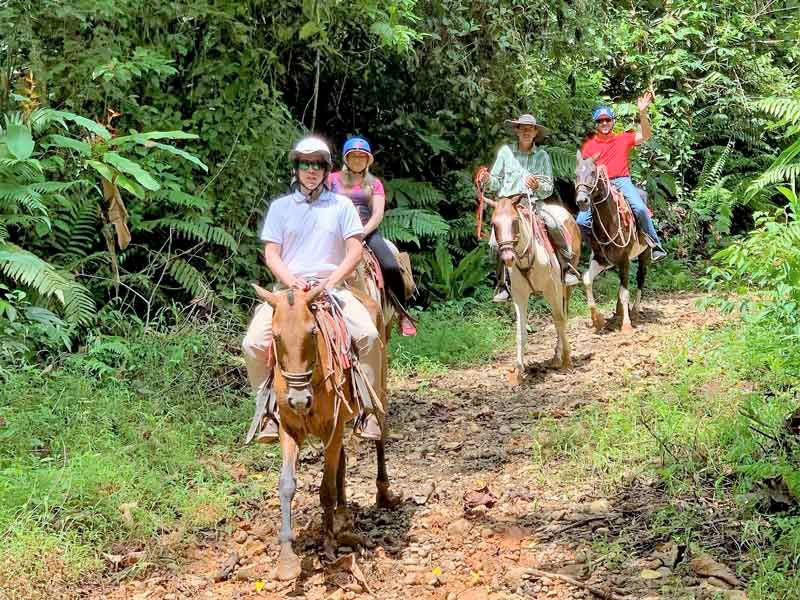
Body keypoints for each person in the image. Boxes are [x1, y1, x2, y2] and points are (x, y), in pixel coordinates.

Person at [242, 136, 383, 443]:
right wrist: (291, 281)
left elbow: (355, 250)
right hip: (288, 293)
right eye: (305, 164)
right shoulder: (280, 208)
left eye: (317, 164)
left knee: (369, 336)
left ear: (325, 168)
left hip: (331, 290)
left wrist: (330, 282)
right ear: (296, 168)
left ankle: (367, 409)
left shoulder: (341, 206)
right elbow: (271, 254)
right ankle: (266, 412)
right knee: (253, 343)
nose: (311, 170)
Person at [478, 113, 580, 302]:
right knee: (494, 243)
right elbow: (496, 181)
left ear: (535, 133)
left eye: (530, 128)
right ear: (517, 131)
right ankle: (502, 284)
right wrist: (486, 180)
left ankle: (566, 269)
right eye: (522, 128)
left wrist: (536, 186)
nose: (526, 131)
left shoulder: (542, 156)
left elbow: (548, 188)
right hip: (507, 205)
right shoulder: (506, 153)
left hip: (533, 203)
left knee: (554, 223)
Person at [328, 137, 417, 336]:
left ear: (368, 160)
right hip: (335, 233)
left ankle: (402, 313)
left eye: (362, 157)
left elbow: (377, 214)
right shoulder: (331, 179)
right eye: (354, 156)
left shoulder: (374, 184)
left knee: (391, 265)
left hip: (366, 232)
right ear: (346, 159)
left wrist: (361, 233)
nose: (358, 160)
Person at [578, 91, 667, 260]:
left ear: (612, 122)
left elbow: (646, 135)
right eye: (600, 120)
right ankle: (598, 250)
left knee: (640, 208)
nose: (604, 123)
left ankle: (655, 245)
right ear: (596, 125)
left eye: (607, 120)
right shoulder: (588, 147)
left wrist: (642, 112)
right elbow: (586, 170)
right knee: (581, 221)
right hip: (599, 185)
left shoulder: (623, 139)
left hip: (621, 181)